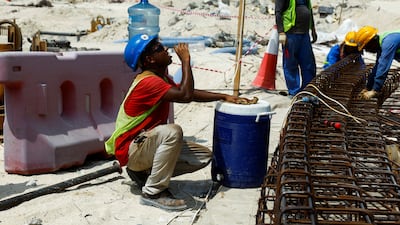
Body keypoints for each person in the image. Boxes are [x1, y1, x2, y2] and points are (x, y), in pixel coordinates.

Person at [105, 34, 252, 211]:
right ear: (150, 59)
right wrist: (186, 60)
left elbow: (187, 91)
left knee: (202, 157)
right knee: (172, 132)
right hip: (132, 151)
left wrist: (223, 96)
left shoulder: (160, 77)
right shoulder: (149, 82)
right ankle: (153, 192)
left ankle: (143, 174)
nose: (165, 49)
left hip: (143, 146)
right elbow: (185, 95)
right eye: (159, 48)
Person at [275, 0, 317, 97]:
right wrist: (281, 32)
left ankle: (308, 90)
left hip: (304, 34)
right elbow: (278, 12)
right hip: (290, 34)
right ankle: (294, 91)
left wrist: (313, 29)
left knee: (308, 64)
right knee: (291, 64)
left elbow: (309, 10)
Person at [357, 25, 400, 100]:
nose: (367, 51)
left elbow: (383, 66)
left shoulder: (388, 43)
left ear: (372, 42)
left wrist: (375, 90)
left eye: (366, 47)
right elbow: (377, 67)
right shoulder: (381, 44)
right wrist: (368, 87)